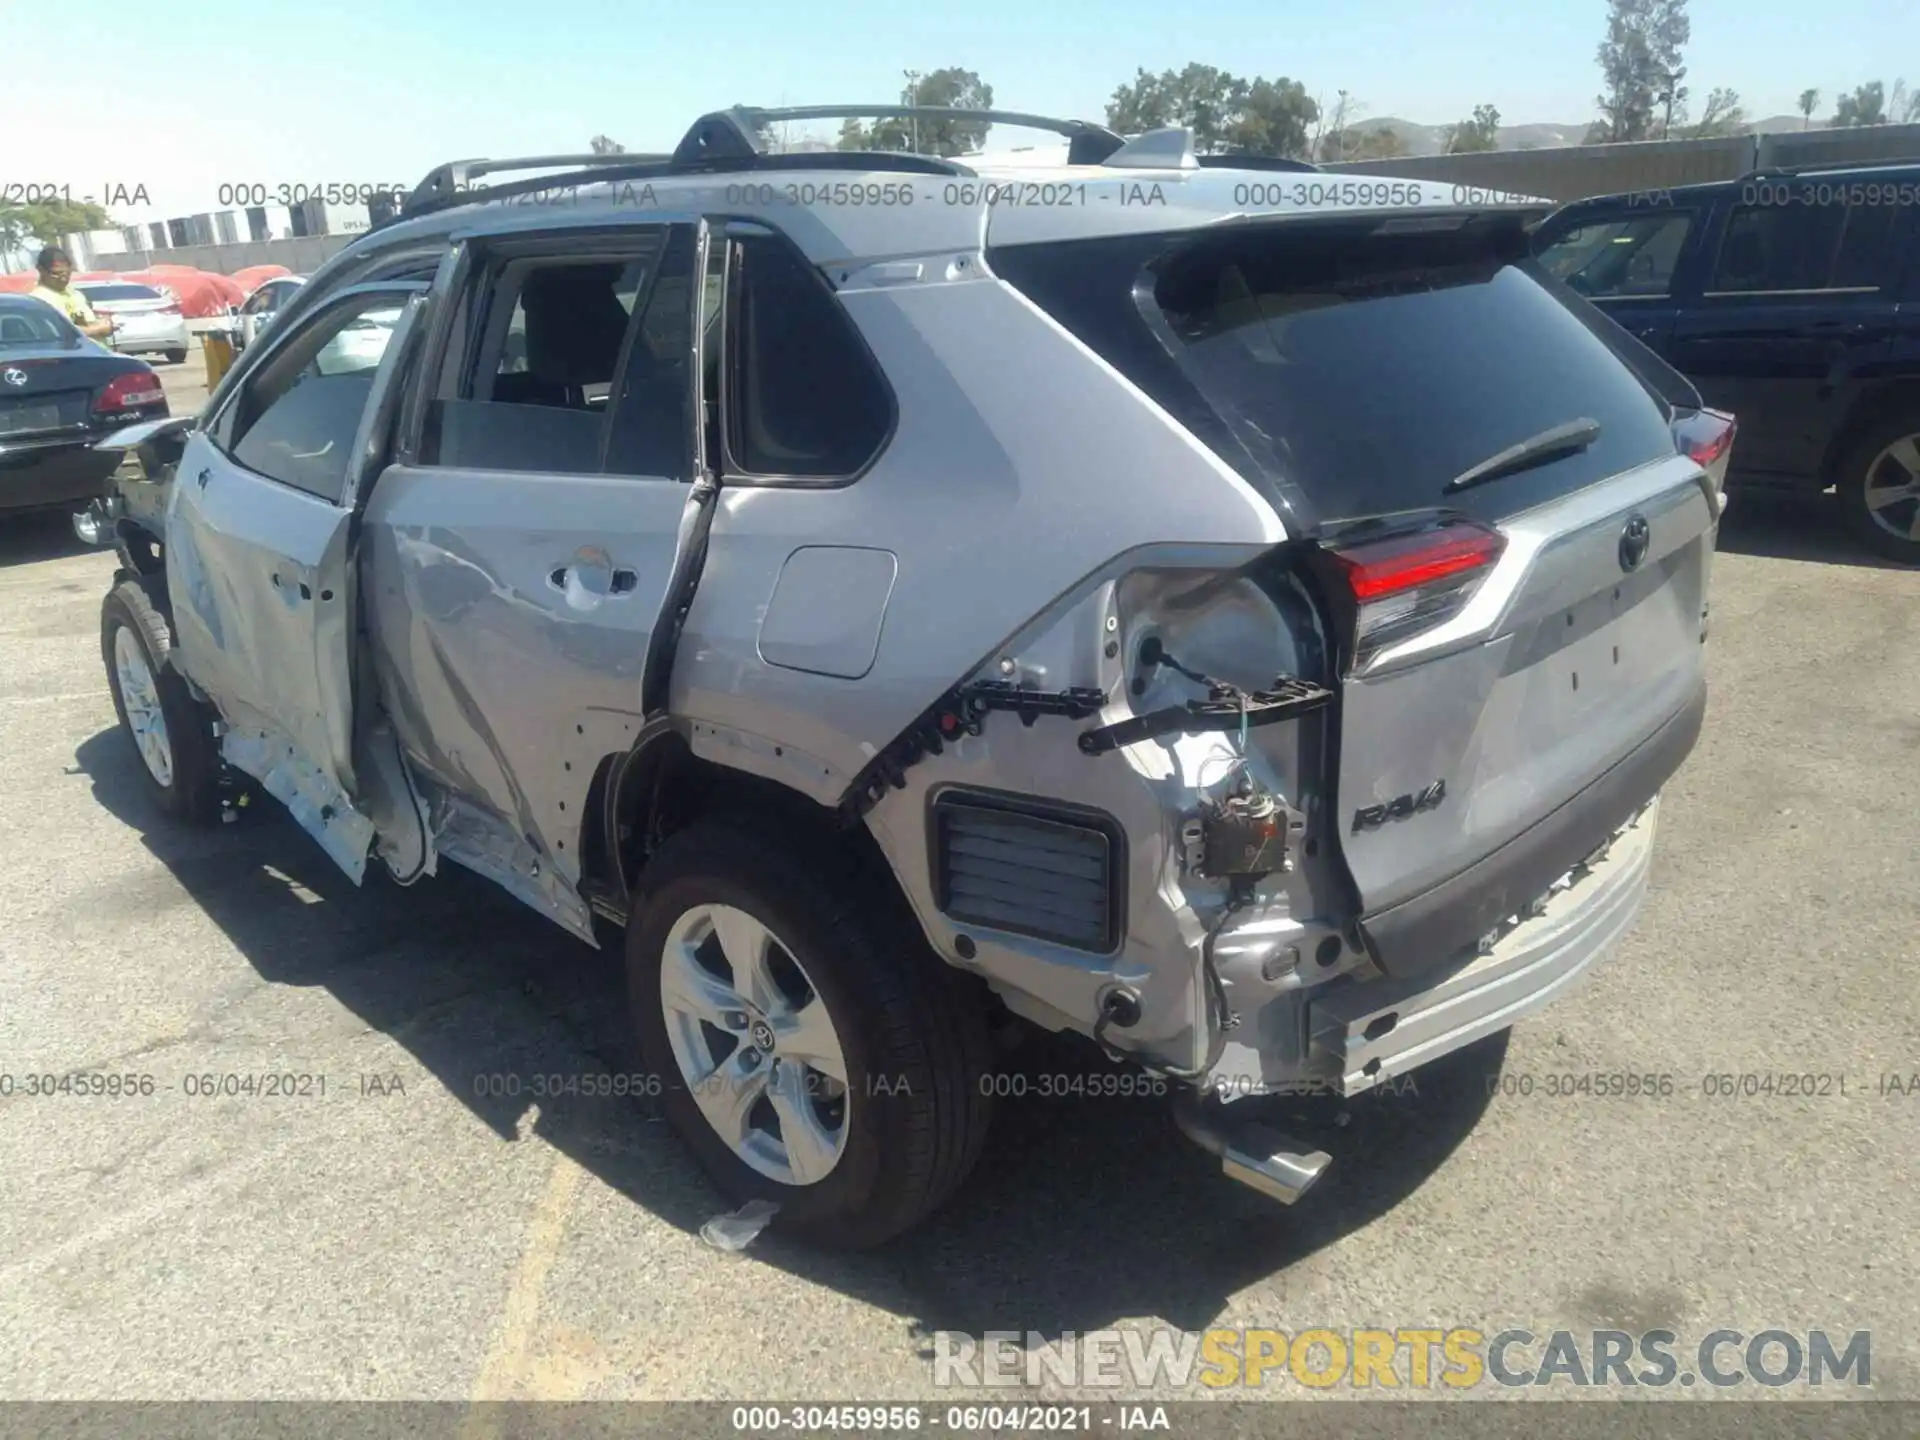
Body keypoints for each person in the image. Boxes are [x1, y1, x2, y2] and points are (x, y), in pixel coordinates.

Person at [28, 245, 115, 341]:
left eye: (67, 273)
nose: (63, 278)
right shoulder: (38, 300)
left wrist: (105, 324)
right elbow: (57, 332)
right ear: (41, 270)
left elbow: (87, 323)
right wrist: (98, 330)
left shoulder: (75, 294)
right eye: (56, 273)